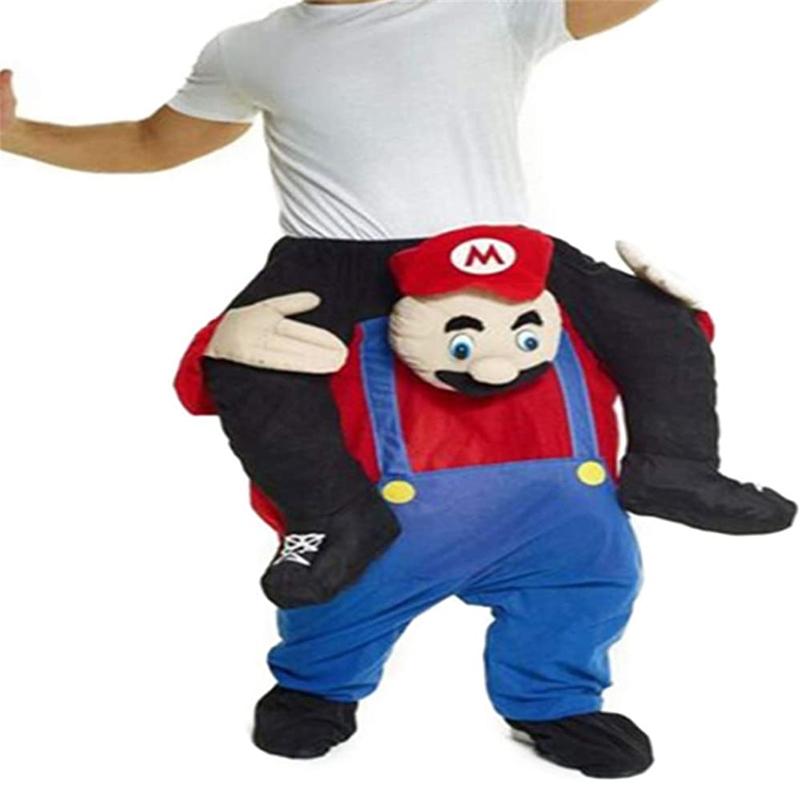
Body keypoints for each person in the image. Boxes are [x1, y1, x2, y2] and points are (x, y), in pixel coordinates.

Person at [2, 0, 795, 775]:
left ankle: (671, 476)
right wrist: (14, 133)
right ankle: (324, 569)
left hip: (502, 257)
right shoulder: (247, 47)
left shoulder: (489, 9)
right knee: (248, 361)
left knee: (657, 321)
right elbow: (151, 141)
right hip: (337, 263)